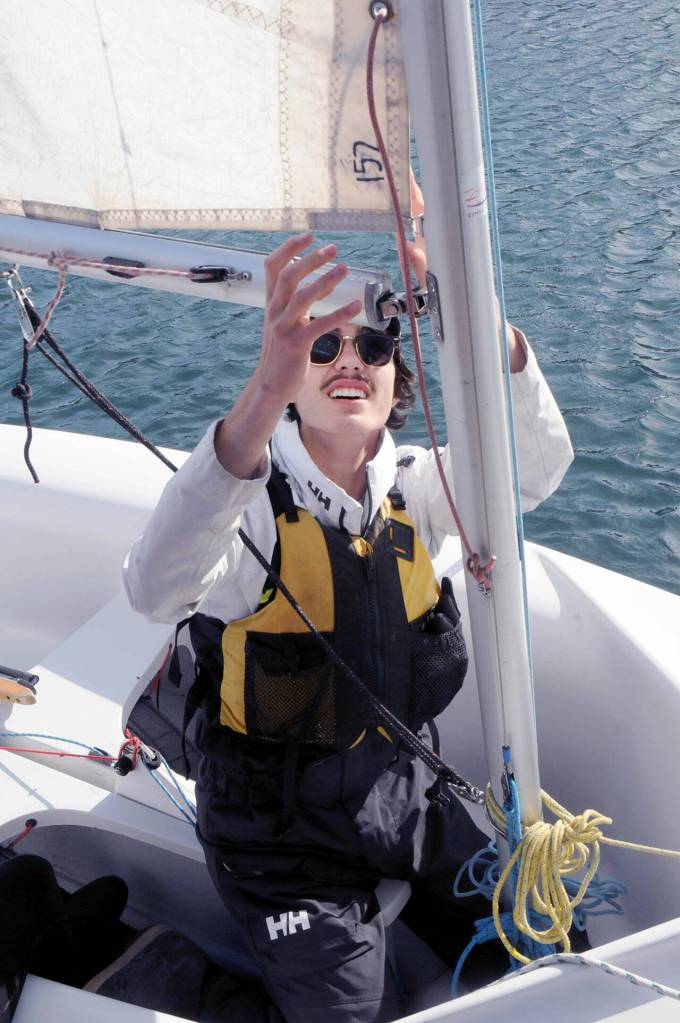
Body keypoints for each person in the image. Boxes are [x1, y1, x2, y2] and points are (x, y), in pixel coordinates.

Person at [123, 221, 573, 1021]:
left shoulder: (418, 491)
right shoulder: (249, 508)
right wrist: (259, 394)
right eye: (320, 350)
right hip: (279, 842)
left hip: (404, 800)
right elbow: (157, 590)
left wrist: (471, 307)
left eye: (371, 344)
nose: (350, 361)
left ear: (398, 375)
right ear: (289, 379)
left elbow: (536, 468)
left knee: (551, 945)